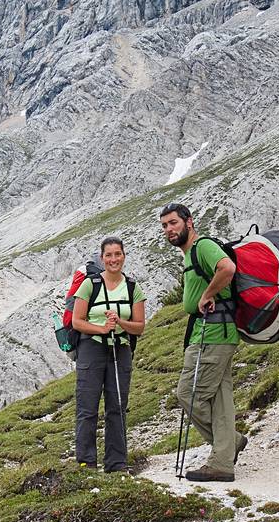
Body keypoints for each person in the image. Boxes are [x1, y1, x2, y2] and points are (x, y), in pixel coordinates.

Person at [159, 203, 248, 482]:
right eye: (164, 226)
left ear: (189, 222)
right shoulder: (190, 254)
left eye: (173, 223)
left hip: (212, 334)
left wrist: (208, 294)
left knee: (189, 393)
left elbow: (227, 268)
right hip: (215, 333)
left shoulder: (203, 247)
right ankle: (223, 458)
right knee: (220, 398)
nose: (169, 230)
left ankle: (227, 446)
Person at [71, 236, 146, 473]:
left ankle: (116, 463)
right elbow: (77, 321)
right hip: (91, 348)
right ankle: (86, 462)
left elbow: (140, 326)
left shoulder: (133, 287)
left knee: (117, 405)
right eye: (109, 255)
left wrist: (120, 322)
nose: (114, 259)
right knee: (87, 407)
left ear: (124, 256)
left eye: (118, 254)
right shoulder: (90, 285)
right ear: (102, 258)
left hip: (120, 348)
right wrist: (102, 328)